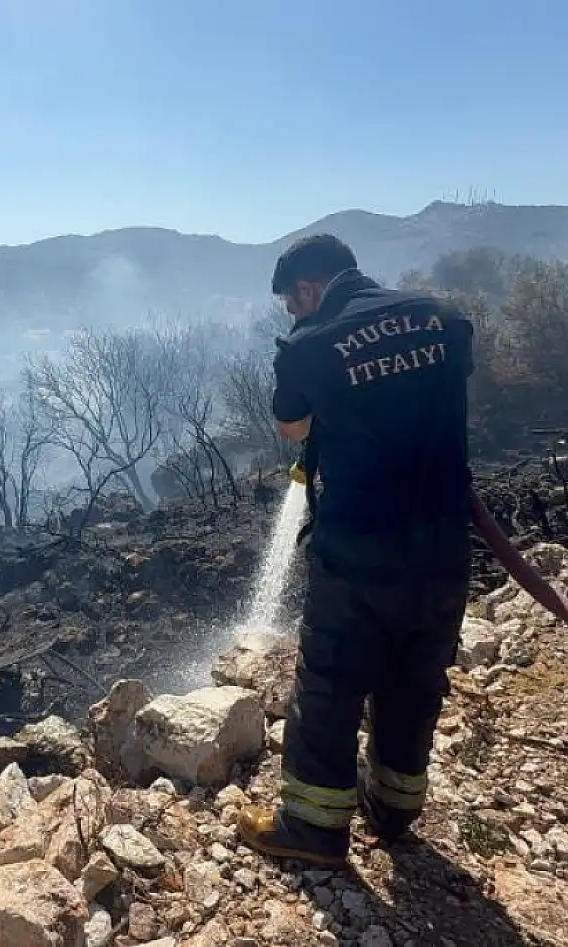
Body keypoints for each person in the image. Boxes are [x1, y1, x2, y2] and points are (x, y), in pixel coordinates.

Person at [237, 233, 476, 865]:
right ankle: (395, 808)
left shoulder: (309, 346)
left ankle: (314, 828)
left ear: (309, 289)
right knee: (415, 678)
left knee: (332, 683)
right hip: (446, 543)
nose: (293, 314)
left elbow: (293, 427)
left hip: (359, 548)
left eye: (292, 303)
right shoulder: (445, 319)